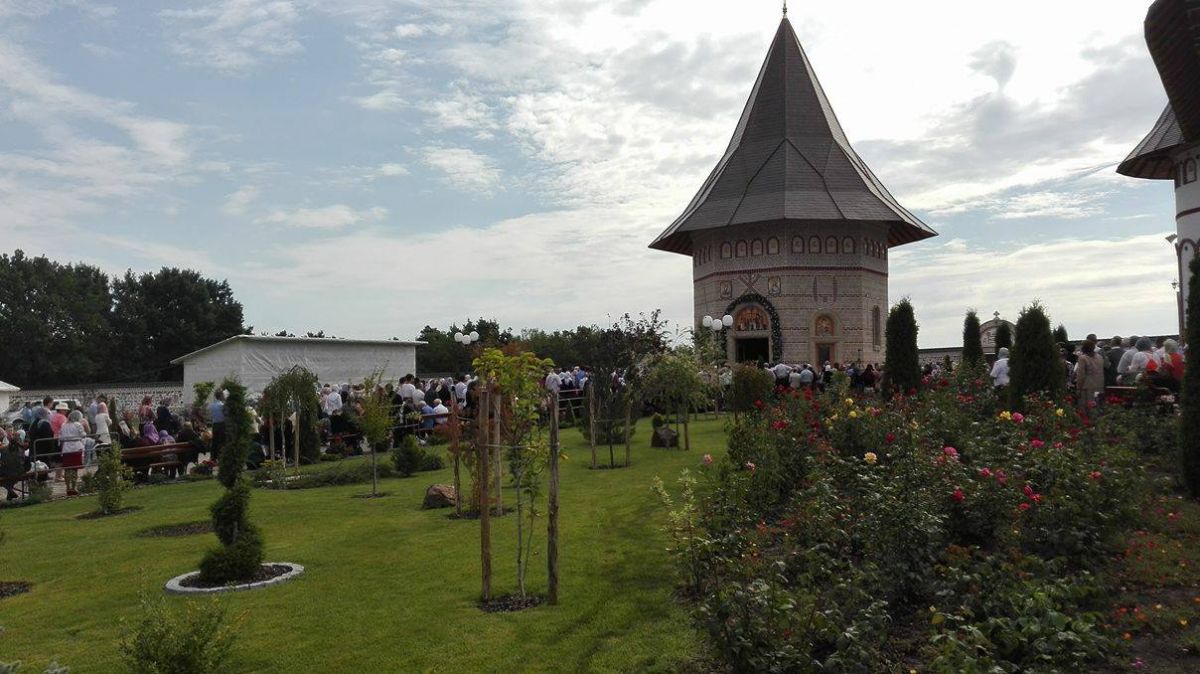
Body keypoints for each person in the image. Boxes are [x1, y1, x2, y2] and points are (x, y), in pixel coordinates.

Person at [60, 410, 87, 496]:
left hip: (66, 448)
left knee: (67, 469)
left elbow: (61, 437)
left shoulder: (63, 425)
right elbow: (83, 435)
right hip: (76, 447)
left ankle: (68, 487)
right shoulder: (78, 425)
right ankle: (74, 487)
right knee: (75, 469)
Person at [1073, 341, 1104, 410]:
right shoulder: (1100, 357)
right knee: (1097, 408)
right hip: (1099, 386)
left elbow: (1081, 375)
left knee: (1085, 409)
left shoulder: (1082, 358)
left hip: (1086, 387)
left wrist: (1078, 389)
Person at [209, 389, 227, 454]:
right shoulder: (222, 405)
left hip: (214, 424)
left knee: (215, 441)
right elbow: (226, 414)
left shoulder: (211, 405)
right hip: (222, 424)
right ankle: (221, 455)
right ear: (221, 396)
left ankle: (213, 456)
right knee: (222, 441)